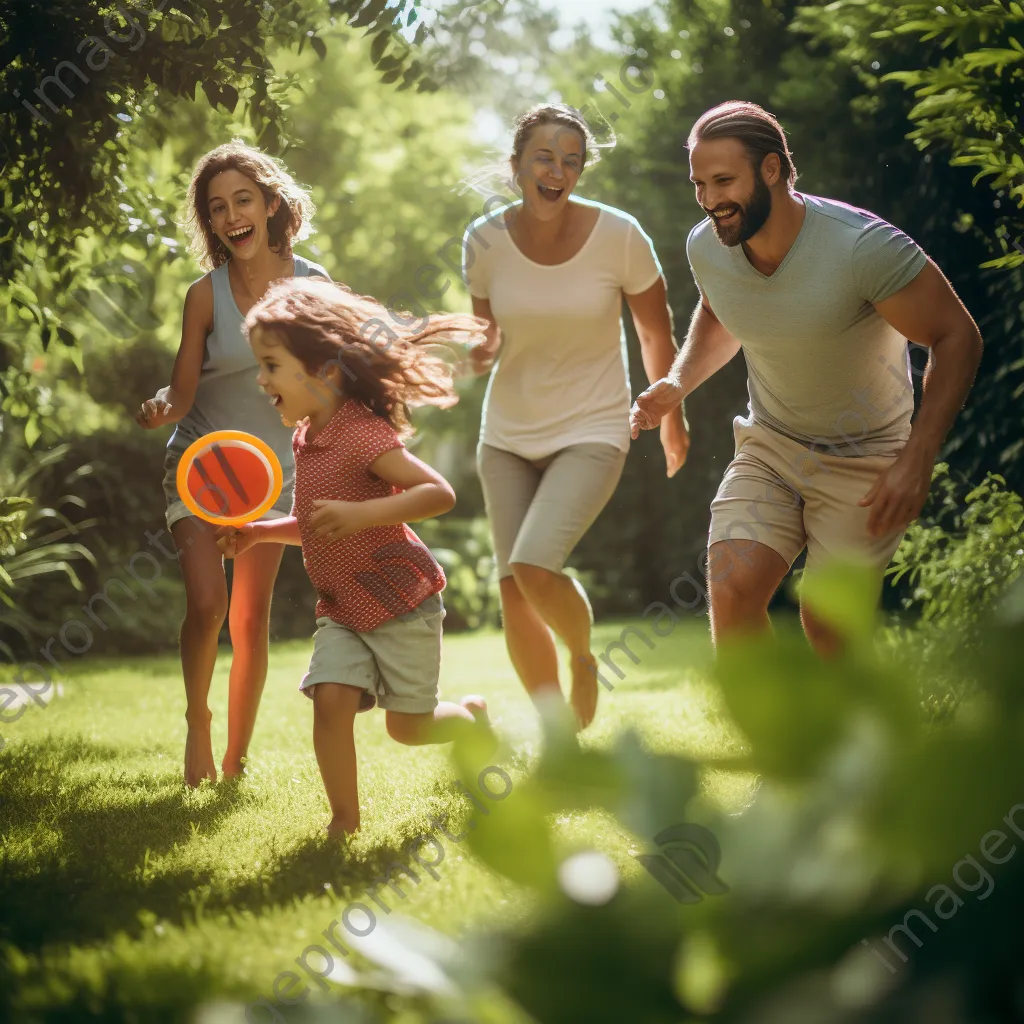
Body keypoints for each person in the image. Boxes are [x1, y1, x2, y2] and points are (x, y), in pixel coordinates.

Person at [630, 101, 983, 655]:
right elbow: (723, 309)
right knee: (731, 586)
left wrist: (918, 457)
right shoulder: (709, 245)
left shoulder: (860, 247)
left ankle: (855, 738)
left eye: (724, 181)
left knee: (827, 622)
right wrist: (677, 384)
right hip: (771, 446)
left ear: (771, 169)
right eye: (699, 183)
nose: (708, 200)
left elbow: (958, 336)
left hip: (866, 455)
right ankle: (767, 741)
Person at [217, 277, 494, 838]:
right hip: (342, 609)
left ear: (325, 370)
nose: (260, 378)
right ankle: (344, 818)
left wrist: (362, 514)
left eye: (271, 365)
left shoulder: (362, 434)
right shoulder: (304, 436)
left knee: (408, 729)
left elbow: (439, 493)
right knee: (330, 700)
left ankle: (469, 722)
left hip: (400, 602)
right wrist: (261, 533)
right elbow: (322, 527)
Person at [461, 103, 689, 730]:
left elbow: (654, 333)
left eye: (571, 160)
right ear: (517, 165)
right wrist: (459, 357)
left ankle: (582, 657)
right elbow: (487, 338)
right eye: (544, 156)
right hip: (505, 433)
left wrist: (672, 413)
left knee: (534, 564)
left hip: (593, 425)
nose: (557, 170)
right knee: (514, 590)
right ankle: (555, 734)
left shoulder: (620, 235)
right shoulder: (483, 241)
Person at [135, 141, 330, 787]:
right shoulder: (203, 296)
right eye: (217, 207)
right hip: (199, 462)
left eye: (243, 199)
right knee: (209, 606)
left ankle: (237, 758)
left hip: (273, 476)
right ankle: (199, 724)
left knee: (250, 618)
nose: (231, 215)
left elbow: (331, 384)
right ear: (211, 223)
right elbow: (182, 392)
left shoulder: (313, 287)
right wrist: (163, 408)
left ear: (271, 204)